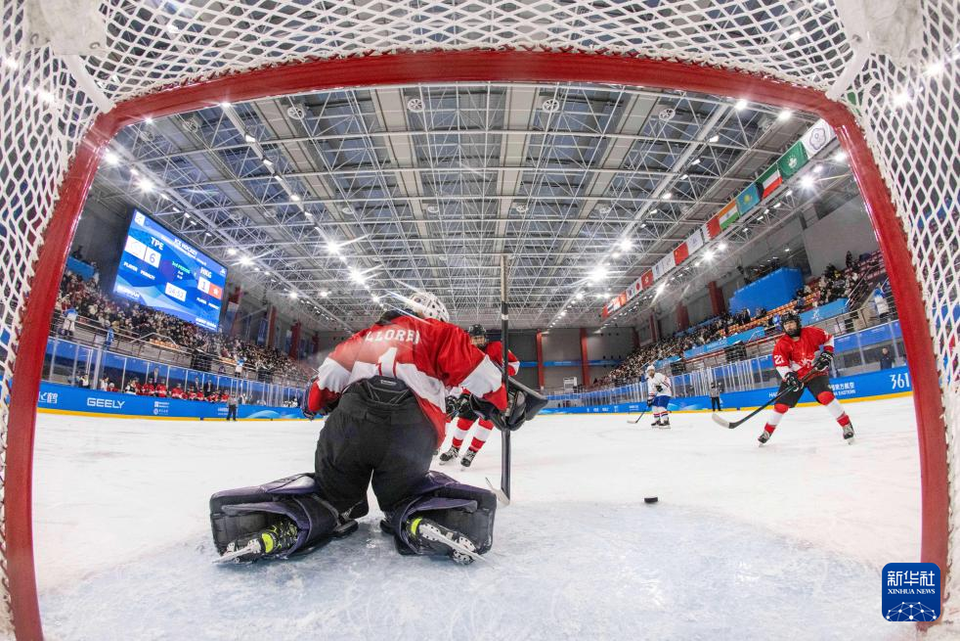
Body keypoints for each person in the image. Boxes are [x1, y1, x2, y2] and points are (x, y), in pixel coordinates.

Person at [211, 290, 541, 566]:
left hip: (351, 424)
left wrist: (313, 404)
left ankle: (295, 520)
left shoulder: (365, 336)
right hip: (412, 432)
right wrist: (504, 406)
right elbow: (486, 379)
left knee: (333, 496)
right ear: (435, 315)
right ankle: (414, 517)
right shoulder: (443, 334)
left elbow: (322, 386)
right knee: (405, 496)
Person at [758, 312, 854, 445]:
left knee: (825, 396)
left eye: (791, 322)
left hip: (815, 372)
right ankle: (767, 432)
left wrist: (828, 352)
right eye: (786, 324)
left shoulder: (811, 332)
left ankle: (846, 425)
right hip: (795, 376)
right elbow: (781, 364)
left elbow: (829, 338)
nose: (789, 326)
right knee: (780, 406)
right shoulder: (781, 344)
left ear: (797, 323)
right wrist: (789, 376)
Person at [439, 324, 520, 468]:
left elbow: (515, 365)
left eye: (480, 337)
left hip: (494, 393)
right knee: (463, 422)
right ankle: (454, 449)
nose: (477, 341)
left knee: (485, 424)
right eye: (474, 338)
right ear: (469, 339)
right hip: (470, 392)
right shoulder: (465, 351)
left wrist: (498, 371)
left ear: (485, 338)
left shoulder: (496, 347)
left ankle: (471, 452)